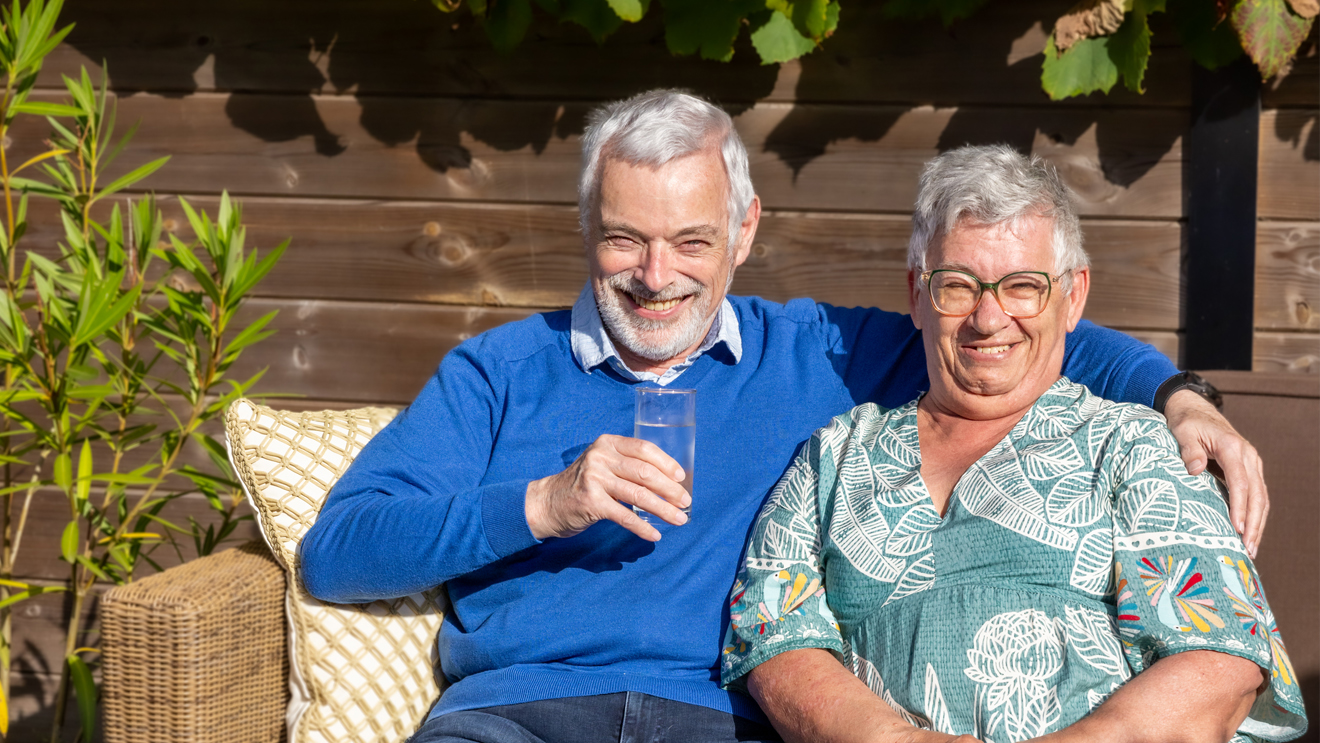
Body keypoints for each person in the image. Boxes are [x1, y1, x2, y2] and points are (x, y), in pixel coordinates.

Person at [298, 91, 1271, 743]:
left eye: (691, 239)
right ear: (588, 226)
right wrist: (545, 501)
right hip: (515, 716)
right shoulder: (502, 370)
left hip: (721, 719)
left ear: (745, 231)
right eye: (626, 238)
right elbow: (338, 549)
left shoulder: (823, 351)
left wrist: (1180, 396)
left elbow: (1011, 325)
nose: (656, 274)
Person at [720, 145, 1306, 743]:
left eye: (1023, 286)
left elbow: (1221, 663)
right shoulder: (836, 456)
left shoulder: (1135, 445)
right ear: (917, 296)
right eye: (957, 286)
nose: (988, 317)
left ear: (1072, 297)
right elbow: (774, 640)